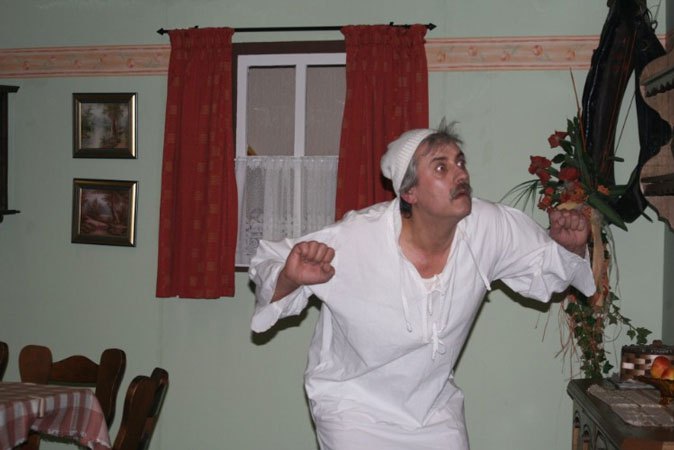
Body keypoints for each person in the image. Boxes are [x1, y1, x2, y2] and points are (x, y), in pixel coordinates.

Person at [249, 123, 595, 450]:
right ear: (409, 192)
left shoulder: (488, 227)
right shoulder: (358, 238)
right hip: (352, 407)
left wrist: (571, 248)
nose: (460, 174)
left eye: (460, 162)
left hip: (432, 409)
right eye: (441, 167)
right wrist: (290, 276)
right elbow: (269, 260)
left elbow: (545, 266)